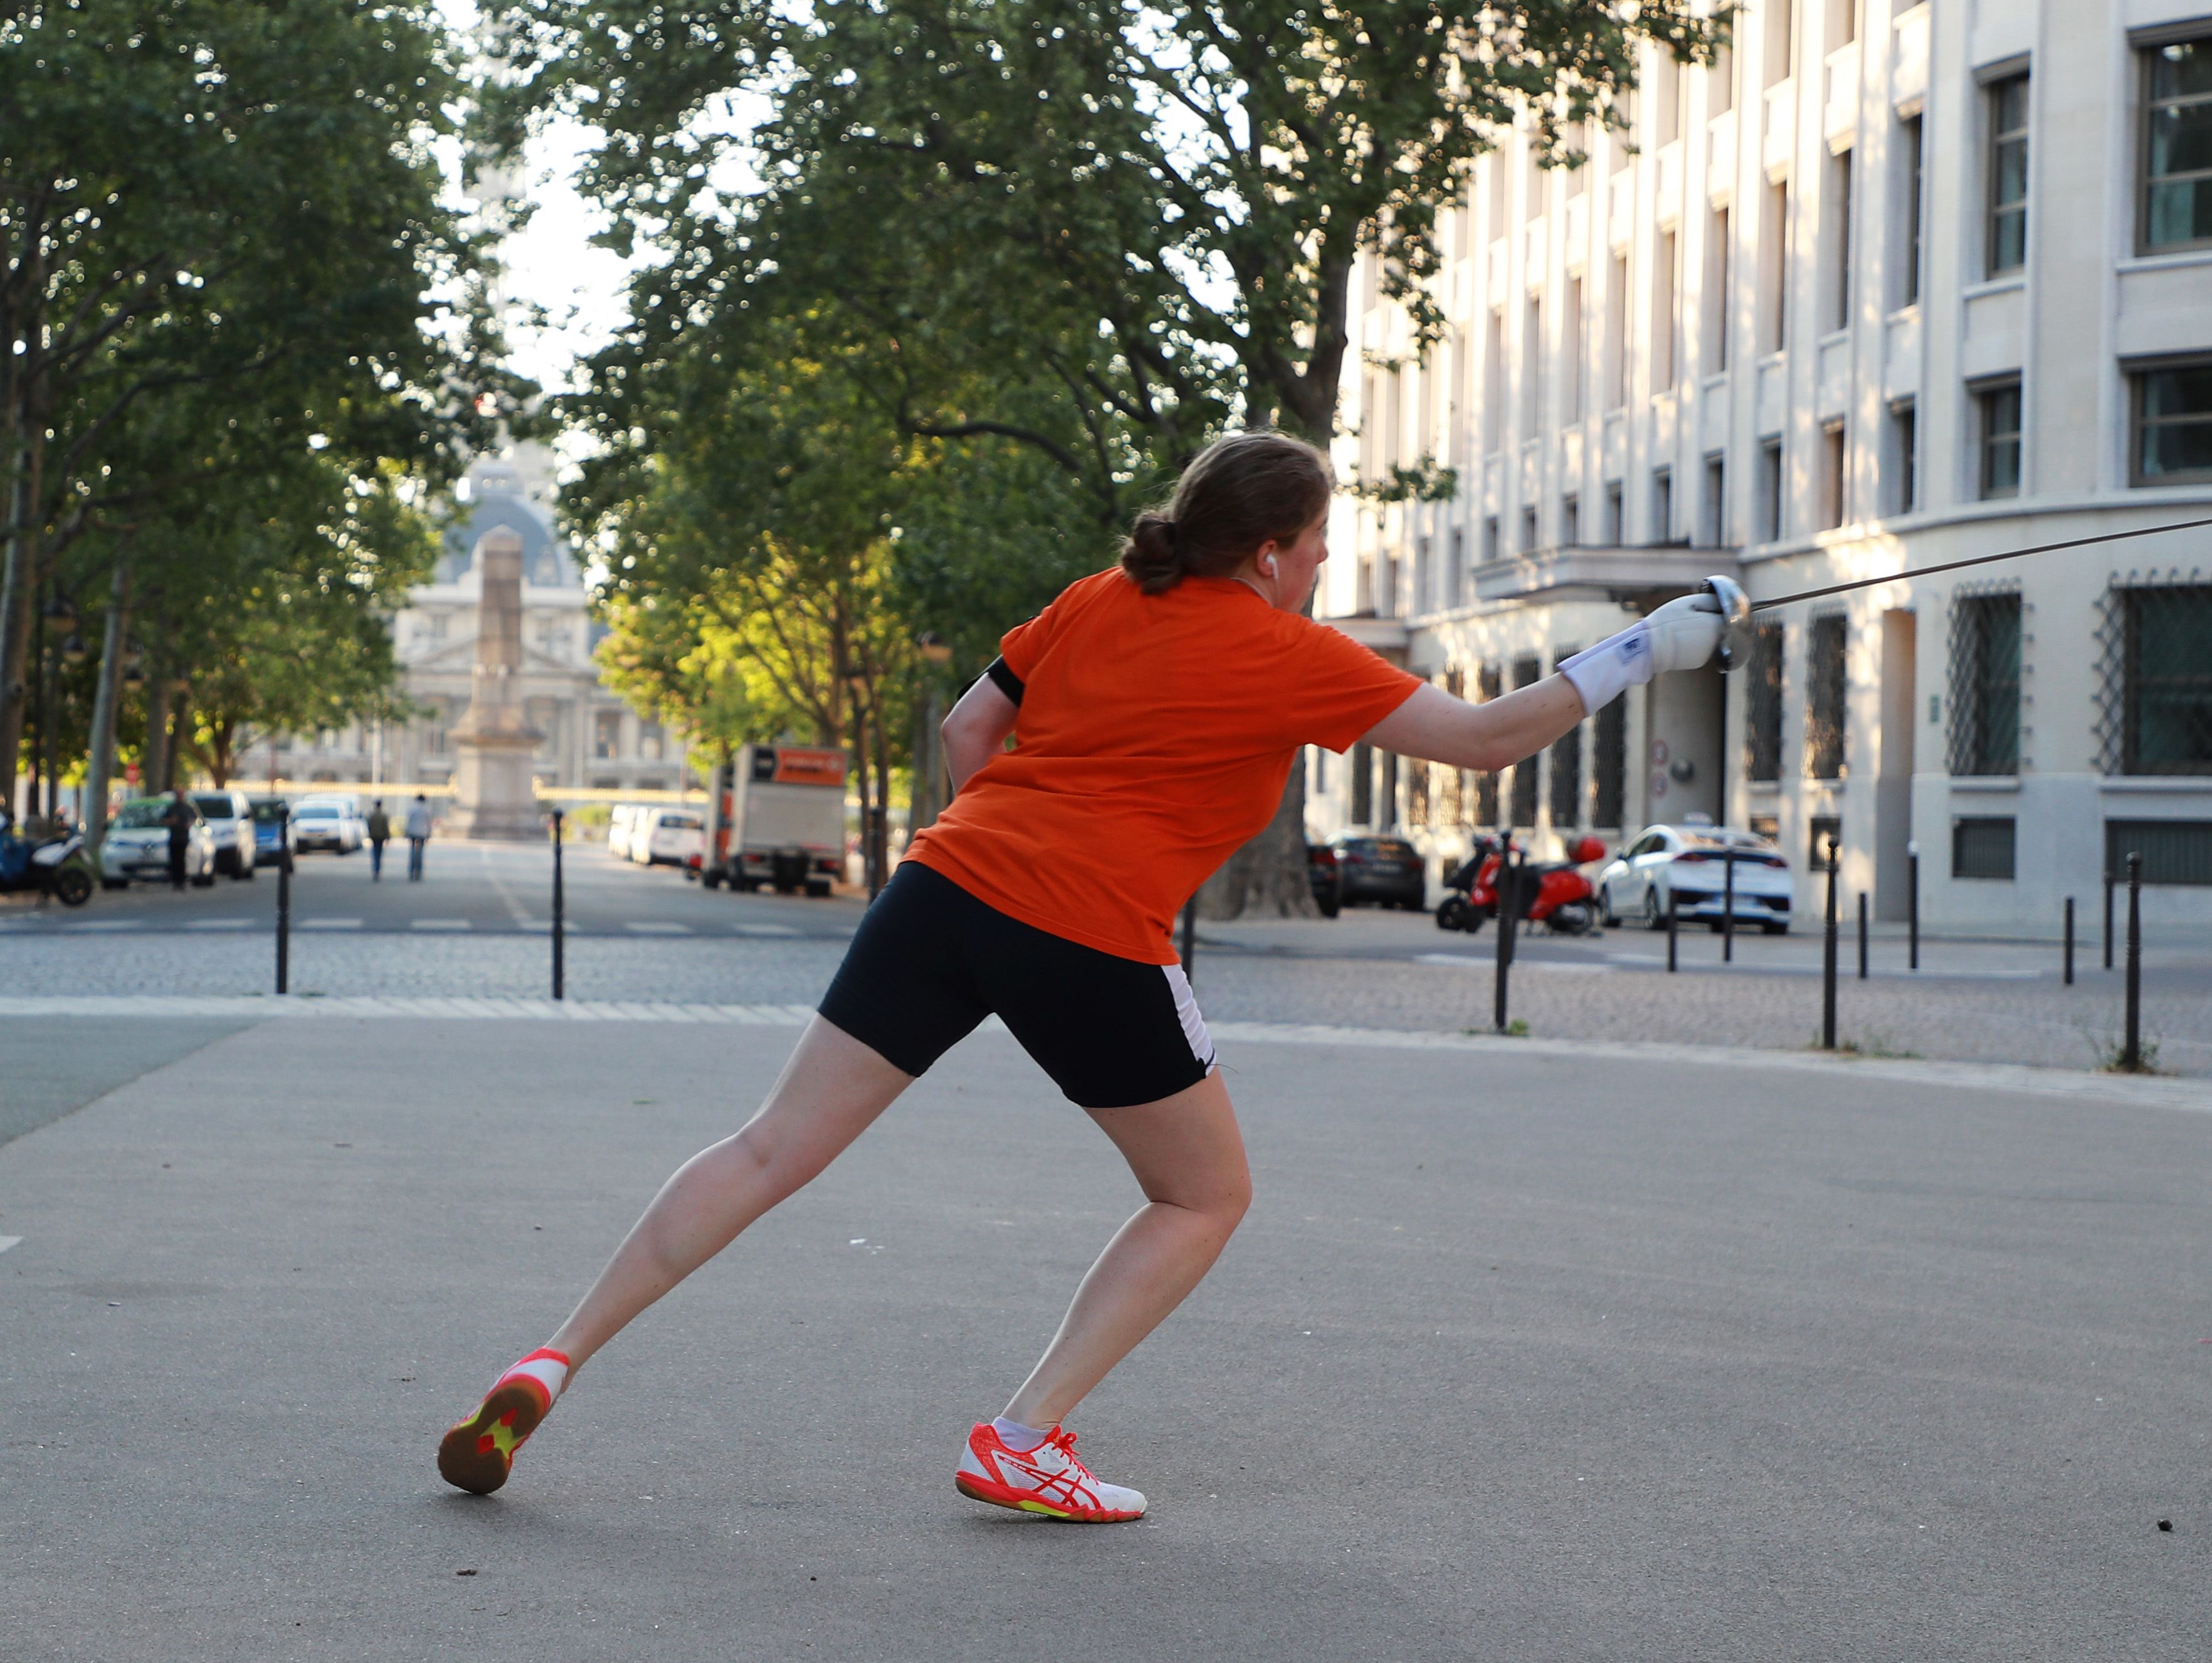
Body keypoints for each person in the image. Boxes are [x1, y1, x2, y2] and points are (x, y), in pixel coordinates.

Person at [436, 431, 1735, 1521]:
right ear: (1275, 550)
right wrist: (1646, 650)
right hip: (1092, 930)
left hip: (946, 886)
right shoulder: (1293, 651)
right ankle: (1024, 1436)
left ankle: (553, 1355)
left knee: (772, 1147)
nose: (1328, 563)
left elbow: (967, 727)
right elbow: (1484, 740)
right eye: (1323, 542)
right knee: (1203, 1197)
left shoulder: (1094, 599)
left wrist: (1006, 846)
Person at [164, 788, 196, 891]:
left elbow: (194, 818)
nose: (180, 797)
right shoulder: (172, 808)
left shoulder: (187, 808)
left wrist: (190, 824)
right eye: (178, 795)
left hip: (183, 837)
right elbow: (164, 820)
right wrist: (171, 821)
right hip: (174, 837)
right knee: (174, 860)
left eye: (181, 795)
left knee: (181, 860)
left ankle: (181, 881)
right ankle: (175, 881)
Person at [403, 793, 433, 880]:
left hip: (412, 833)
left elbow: (408, 821)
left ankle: (411, 871)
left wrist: (406, 832)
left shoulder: (412, 808)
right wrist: (429, 834)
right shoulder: (427, 809)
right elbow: (429, 823)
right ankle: (418, 872)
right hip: (423, 833)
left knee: (412, 852)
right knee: (421, 853)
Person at [366, 800, 392, 880]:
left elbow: (369, 826)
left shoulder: (371, 815)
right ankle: (378, 870)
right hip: (381, 837)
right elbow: (386, 827)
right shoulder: (384, 816)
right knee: (379, 854)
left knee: (374, 853)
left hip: (374, 836)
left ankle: (375, 870)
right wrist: (388, 837)